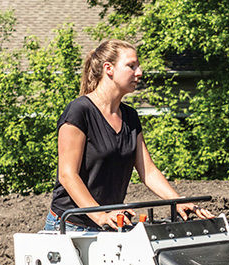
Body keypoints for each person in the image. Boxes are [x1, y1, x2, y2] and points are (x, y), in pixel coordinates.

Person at [44, 39, 212, 232]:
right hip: (71, 226)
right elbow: (67, 175)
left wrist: (178, 201)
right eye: (131, 66)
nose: (139, 72)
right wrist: (100, 215)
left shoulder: (130, 116)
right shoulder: (79, 111)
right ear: (109, 69)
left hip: (109, 223)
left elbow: (147, 171)